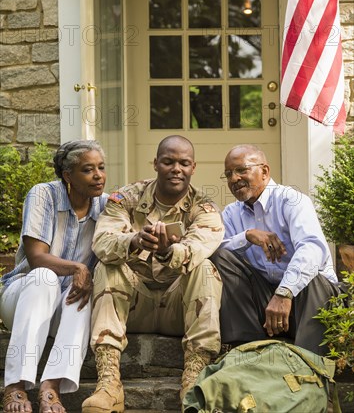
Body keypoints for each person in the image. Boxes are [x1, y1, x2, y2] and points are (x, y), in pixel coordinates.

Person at [81, 135, 224, 413]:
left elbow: (200, 246)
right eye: (168, 162)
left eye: (184, 163)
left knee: (205, 268)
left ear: (193, 167)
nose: (176, 169)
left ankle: (193, 380)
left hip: (178, 309)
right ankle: (109, 383)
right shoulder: (126, 198)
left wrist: (167, 252)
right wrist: (134, 241)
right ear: (156, 163)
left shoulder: (203, 207)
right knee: (108, 264)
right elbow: (103, 243)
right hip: (134, 304)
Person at [0, 140, 108, 413]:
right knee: (45, 278)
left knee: (82, 293)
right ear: (68, 176)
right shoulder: (43, 195)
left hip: (62, 307)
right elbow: (37, 257)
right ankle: (15, 385)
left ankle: (51, 386)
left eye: (101, 168)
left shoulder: (106, 207)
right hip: (24, 297)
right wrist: (78, 268)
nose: (98, 175)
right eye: (88, 169)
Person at [211, 144, 340, 356]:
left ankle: (310, 368)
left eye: (241, 170)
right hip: (265, 300)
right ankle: (247, 350)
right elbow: (216, 249)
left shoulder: (292, 200)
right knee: (220, 256)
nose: (233, 179)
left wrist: (284, 292)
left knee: (312, 277)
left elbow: (313, 249)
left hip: (309, 299)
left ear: (264, 171)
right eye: (228, 174)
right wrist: (247, 236)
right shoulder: (232, 213)